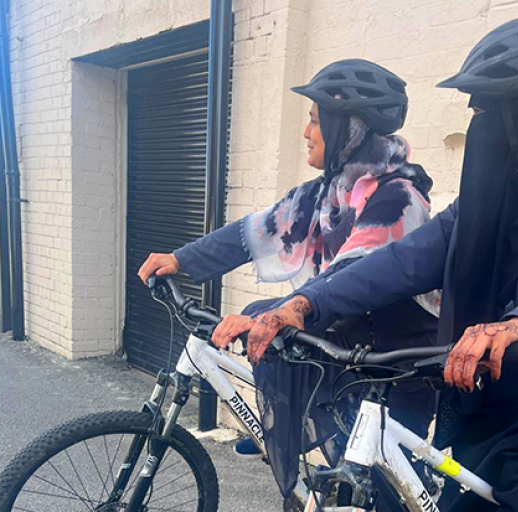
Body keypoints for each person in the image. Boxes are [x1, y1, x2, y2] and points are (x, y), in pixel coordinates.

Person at [238, 17, 518, 512]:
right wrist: (307, 302)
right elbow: (404, 261)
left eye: (489, 108)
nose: (479, 123)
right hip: (487, 401)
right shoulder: (493, 195)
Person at [138, 59, 441, 501]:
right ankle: (290, 439)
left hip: (393, 375)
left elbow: (350, 275)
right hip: (344, 362)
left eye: (316, 121)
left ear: (349, 128)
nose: (306, 132)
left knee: (384, 495)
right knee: (340, 491)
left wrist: (275, 313)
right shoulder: (328, 192)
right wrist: (180, 260)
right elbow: (252, 232)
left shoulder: (398, 199)